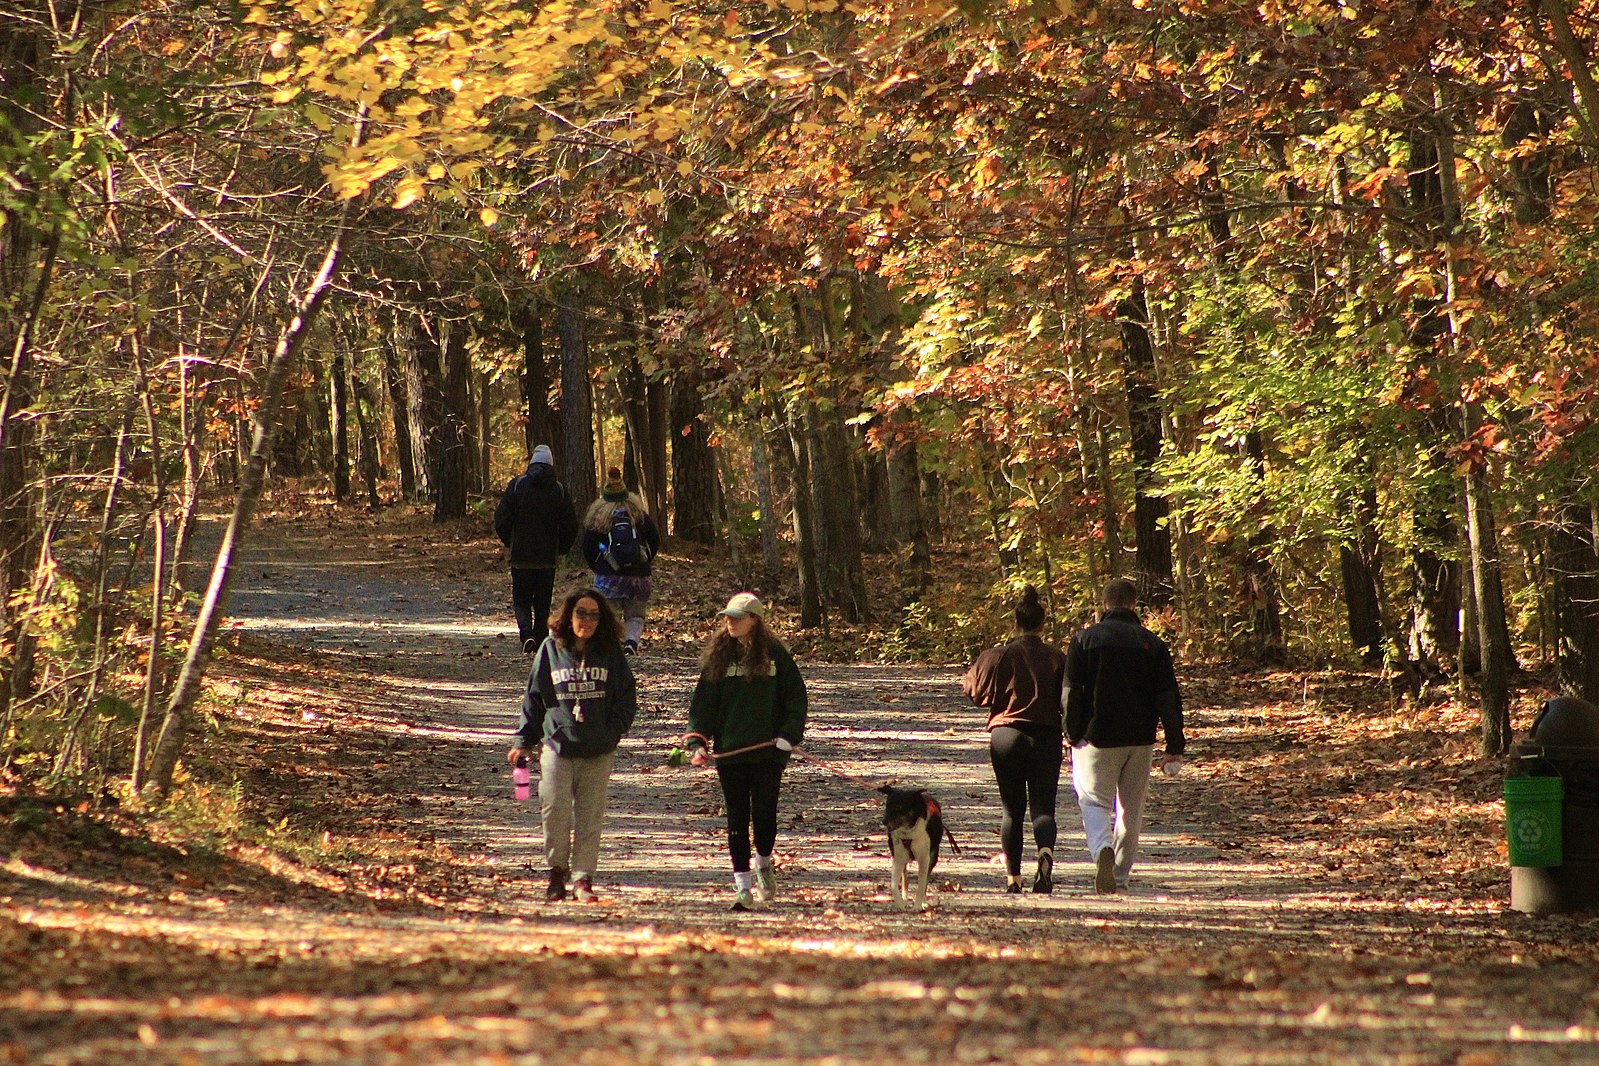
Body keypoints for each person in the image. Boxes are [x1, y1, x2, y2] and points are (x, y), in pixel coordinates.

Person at [508, 588, 637, 903]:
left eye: (594, 615)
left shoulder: (610, 652)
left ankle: (582, 879)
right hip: (557, 746)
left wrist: (613, 732)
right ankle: (557, 873)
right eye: (582, 613)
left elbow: (627, 696)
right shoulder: (550, 649)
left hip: (598, 749)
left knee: (591, 815)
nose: (587, 621)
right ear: (569, 615)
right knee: (555, 810)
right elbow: (534, 697)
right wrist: (524, 740)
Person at [684, 593, 807, 912]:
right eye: (728, 616)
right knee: (737, 818)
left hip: (768, 752)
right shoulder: (719, 659)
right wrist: (697, 741)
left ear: (755, 620)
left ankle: (763, 862)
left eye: (738, 617)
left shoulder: (776, 655)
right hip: (731, 753)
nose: (731, 622)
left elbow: (796, 699)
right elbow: (703, 705)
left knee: (764, 815)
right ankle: (742, 886)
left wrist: (788, 735)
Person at [1064, 577, 1185, 894]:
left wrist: (1071, 732)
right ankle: (1119, 877)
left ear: (1104, 604)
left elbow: (1071, 693)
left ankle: (1102, 847)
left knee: (1093, 802)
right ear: (1134, 605)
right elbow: (1167, 697)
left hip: (1095, 737)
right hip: (1139, 738)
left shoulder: (1083, 641)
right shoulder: (1153, 645)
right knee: (1131, 809)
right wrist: (1175, 745)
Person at [961, 585, 1068, 894]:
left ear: (1015, 622)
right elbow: (1068, 699)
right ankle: (1045, 856)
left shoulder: (997, 656)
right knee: (1043, 808)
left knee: (1011, 810)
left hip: (1006, 734)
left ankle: (1013, 879)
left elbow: (975, 693)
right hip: (1045, 736)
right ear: (1043, 624)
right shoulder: (1056, 659)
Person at [494, 444, 579, 653]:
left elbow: (502, 519)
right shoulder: (559, 490)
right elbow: (571, 524)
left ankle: (526, 635)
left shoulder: (517, 486)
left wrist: (509, 541)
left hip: (521, 556)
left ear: (531, 463)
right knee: (542, 602)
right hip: (547, 558)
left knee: (521, 600)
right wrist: (562, 548)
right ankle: (541, 640)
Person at [581, 468, 661, 656]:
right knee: (636, 615)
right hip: (639, 576)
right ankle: (631, 642)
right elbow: (655, 540)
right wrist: (644, 561)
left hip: (608, 576)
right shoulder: (638, 514)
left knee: (609, 615)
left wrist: (599, 567)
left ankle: (612, 646)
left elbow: (588, 546)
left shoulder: (599, 516)